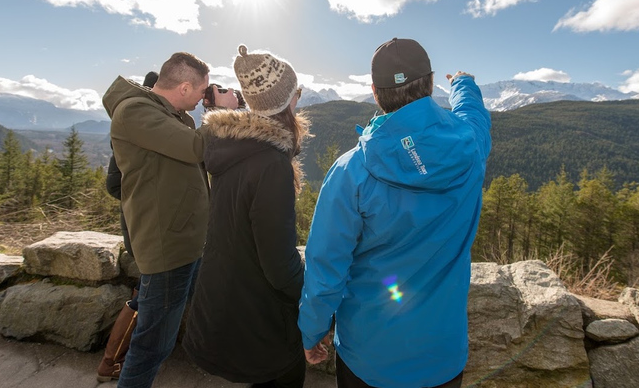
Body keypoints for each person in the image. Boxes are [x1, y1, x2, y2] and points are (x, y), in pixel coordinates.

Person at [298, 38, 492, 388]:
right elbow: (474, 114)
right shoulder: (471, 146)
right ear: (431, 84)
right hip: (442, 354)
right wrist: (463, 82)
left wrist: (312, 329)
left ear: (375, 92)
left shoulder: (350, 172)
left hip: (369, 355)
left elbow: (326, 265)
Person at [102, 53, 238, 388]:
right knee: (152, 346)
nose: (201, 98)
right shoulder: (136, 111)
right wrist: (222, 112)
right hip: (167, 247)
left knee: (164, 331)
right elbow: (195, 148)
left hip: (187, 240)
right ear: (185, 86)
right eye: (200, 91)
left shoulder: (170, 113)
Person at [183, 44, 308, 388]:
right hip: (257, 315)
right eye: (297, 91)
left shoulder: (230, 147)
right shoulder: (270, 164)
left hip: (224, 300)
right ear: (286, 101)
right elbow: (279, 264)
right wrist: (312, 299)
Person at [97, 70, 158, 383]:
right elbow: (114, 183)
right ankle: (111, 362)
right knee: (143, 295)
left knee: (145, 292)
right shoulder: (136, 127)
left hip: (147, 225)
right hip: (143, 226)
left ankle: (117, 360)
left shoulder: (142, 125)